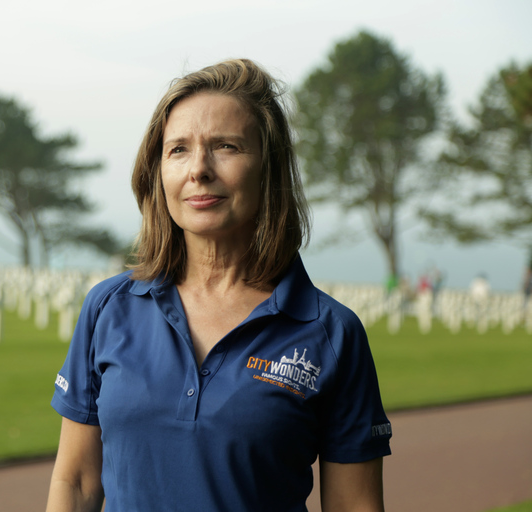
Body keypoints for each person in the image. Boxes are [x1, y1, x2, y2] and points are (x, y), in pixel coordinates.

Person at [46, 59, 391, 512]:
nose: (199, 170)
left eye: (225, 146)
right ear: (158, 172)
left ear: (269, 169)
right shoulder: (108, 308)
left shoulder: (332, 333)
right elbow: (77, 482)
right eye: (178, 150)